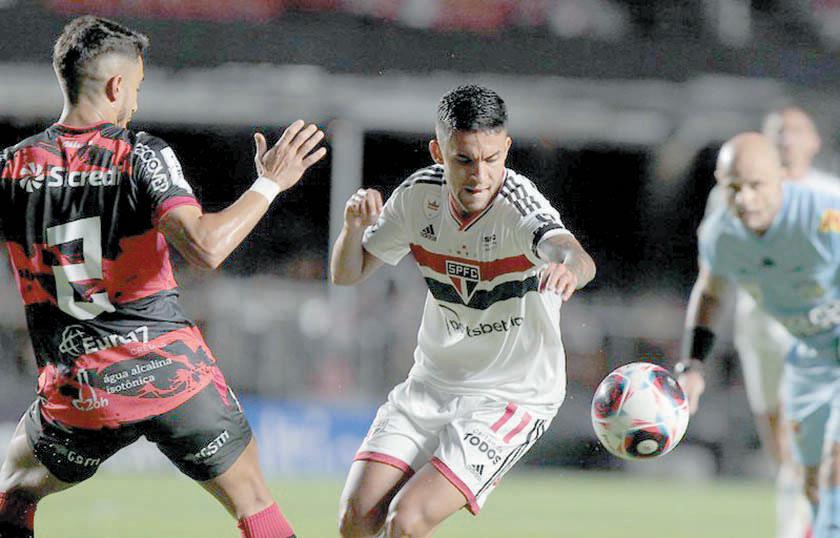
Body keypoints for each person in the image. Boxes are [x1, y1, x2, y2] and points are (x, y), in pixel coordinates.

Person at [0, 16, 326, 538]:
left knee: (14, 493)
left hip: (82, 388)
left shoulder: (12, 168)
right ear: (116, 86)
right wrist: (269, 183)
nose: (135, 102)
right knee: (254, 504)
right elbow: (206, 246)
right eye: (137, 87)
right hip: (172, 377)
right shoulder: (138, 154)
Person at [331, 84, 596, 537]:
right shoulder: (418, 198)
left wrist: (570, 269)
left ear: (506, 148)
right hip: (431, 383)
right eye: (464, 160)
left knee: (406, 520)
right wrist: (353, 229)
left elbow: (576, 255)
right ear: (438, 152)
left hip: (511, 396)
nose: (480, 175)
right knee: (355, 520)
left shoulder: (518, 206)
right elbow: (347, 273)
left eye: (492, 159)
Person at [677, 132, 840, 538]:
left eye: (756, 186)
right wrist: (693, 365)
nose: (746, 199)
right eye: (734, 188)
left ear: (782, 177)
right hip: (808, 354)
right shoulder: (722, 234)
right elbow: (711, 293)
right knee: (806, 478)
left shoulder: (825, 218)